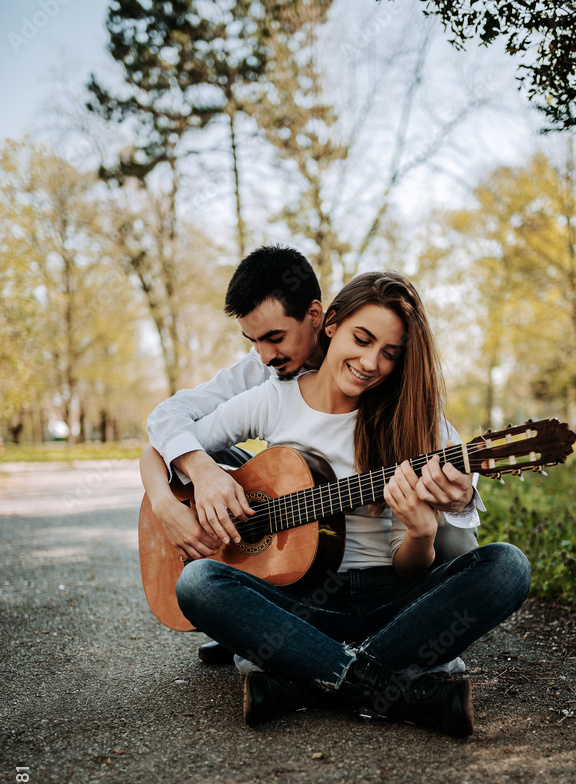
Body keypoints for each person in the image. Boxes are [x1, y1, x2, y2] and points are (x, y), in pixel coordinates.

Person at [161, 272, 531, 737]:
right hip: (304, 602)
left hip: (391, 602)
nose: (370, 362)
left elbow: (407, 566)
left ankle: (304, 680)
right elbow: (170, 443)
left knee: (508, 565)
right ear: (330, 323)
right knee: (198, 582)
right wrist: (199, 477)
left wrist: (420, 532)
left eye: (389, 353)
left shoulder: (413, 423)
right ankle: (388, 683)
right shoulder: (273, 400)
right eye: (362, 338)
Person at [144, 246, 480, 665]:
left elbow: (445, 448)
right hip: (301, 539)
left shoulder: (393, 383)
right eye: (254, 341)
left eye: (275, 337)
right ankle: (271, 614)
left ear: (319, 317)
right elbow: (167, 424)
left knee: (458, 534)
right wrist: (179, 490)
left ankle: (301, 651)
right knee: (221, 473)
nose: (266, 355)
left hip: (385, 564)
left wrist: (460, 495)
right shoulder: (266, 377)